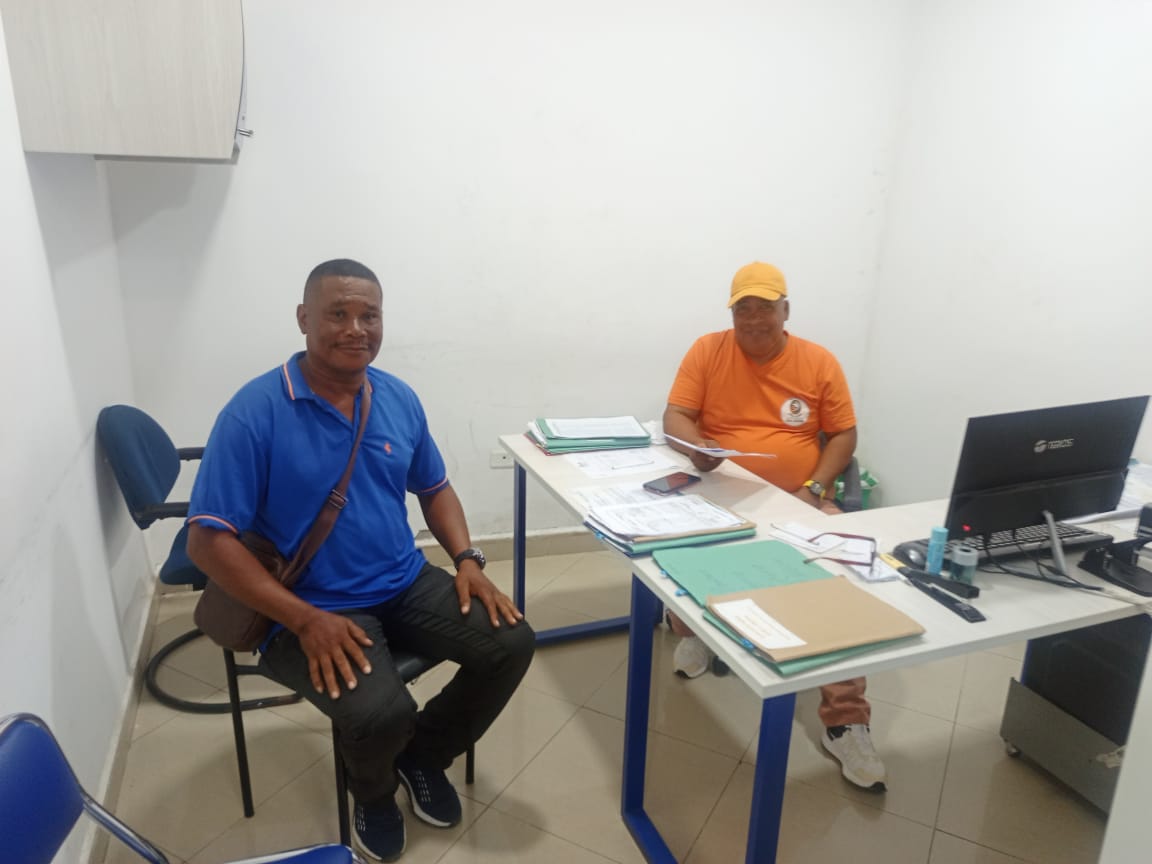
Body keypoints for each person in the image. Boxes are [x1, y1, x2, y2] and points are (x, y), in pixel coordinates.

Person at [186, 258, 535, 862]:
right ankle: (372, 793)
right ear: (304, 319)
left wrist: (467, 560)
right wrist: (303, 620)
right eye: (338, 314)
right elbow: (207, 541)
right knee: (379, 711)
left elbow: (435, 488)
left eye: (368, 315)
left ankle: (422, 757)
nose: (355, 329)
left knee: (512, 643)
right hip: (305, 605)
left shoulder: (396, 397)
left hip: (403, 580)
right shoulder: (254, 411)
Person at [661, 261, 886, 792]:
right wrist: (696, 448)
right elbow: (675, 416)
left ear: (786, 310)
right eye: (744, 309)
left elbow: (844, 435)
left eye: (765, 308)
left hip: (799, 496)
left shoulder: (817, 361)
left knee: (838, 584)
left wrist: (815, 489)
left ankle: (845, 721)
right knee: (676, 551)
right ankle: (696, 630)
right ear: (732, 313)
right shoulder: (707, 350)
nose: (754, 319)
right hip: (720, 491)